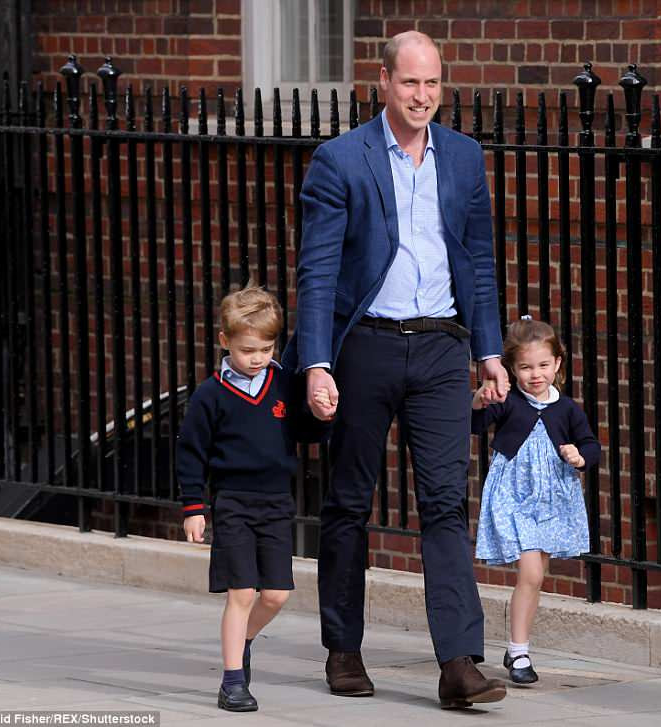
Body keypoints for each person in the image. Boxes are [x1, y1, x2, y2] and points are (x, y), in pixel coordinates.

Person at [283, 30, 510, 709]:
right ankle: (344, 648)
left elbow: (479, 261)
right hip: (367, 347)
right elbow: (318, 270)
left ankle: (458, 662)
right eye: (410, 83)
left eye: (433, 83)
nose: (422, 97)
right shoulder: (340, 160)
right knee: (350, 500)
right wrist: (318, 363)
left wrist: (489, 351)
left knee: (445, 502)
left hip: (441, 347)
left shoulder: (465, 158)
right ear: (382, 82)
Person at [178, 284, 319, 712]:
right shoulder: (210, 395)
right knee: (240, 593)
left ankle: (244, 642)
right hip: (233, 503)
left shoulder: (284, 385)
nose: (257, 357)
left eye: (266, 348)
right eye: (247, 349)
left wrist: (324, 416)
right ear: (225, 342)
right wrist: (193, 508)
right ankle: (232, 680)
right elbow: (190, 453)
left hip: (276, 503)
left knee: (276, 594)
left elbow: (306, 434)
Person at [471, 317, 601, 685]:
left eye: (544, 365)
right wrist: (479, 401)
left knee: (536, 577)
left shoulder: (567, 408)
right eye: (526, 367)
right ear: (511, 368)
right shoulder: (509, 402)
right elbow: (475, 423)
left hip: (552, 500)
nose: (536, 374)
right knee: (530, 573)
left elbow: (592, 445)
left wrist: (580, 456)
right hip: (514, 495)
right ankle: (520, 652)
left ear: (558, 363)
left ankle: (517, 648)